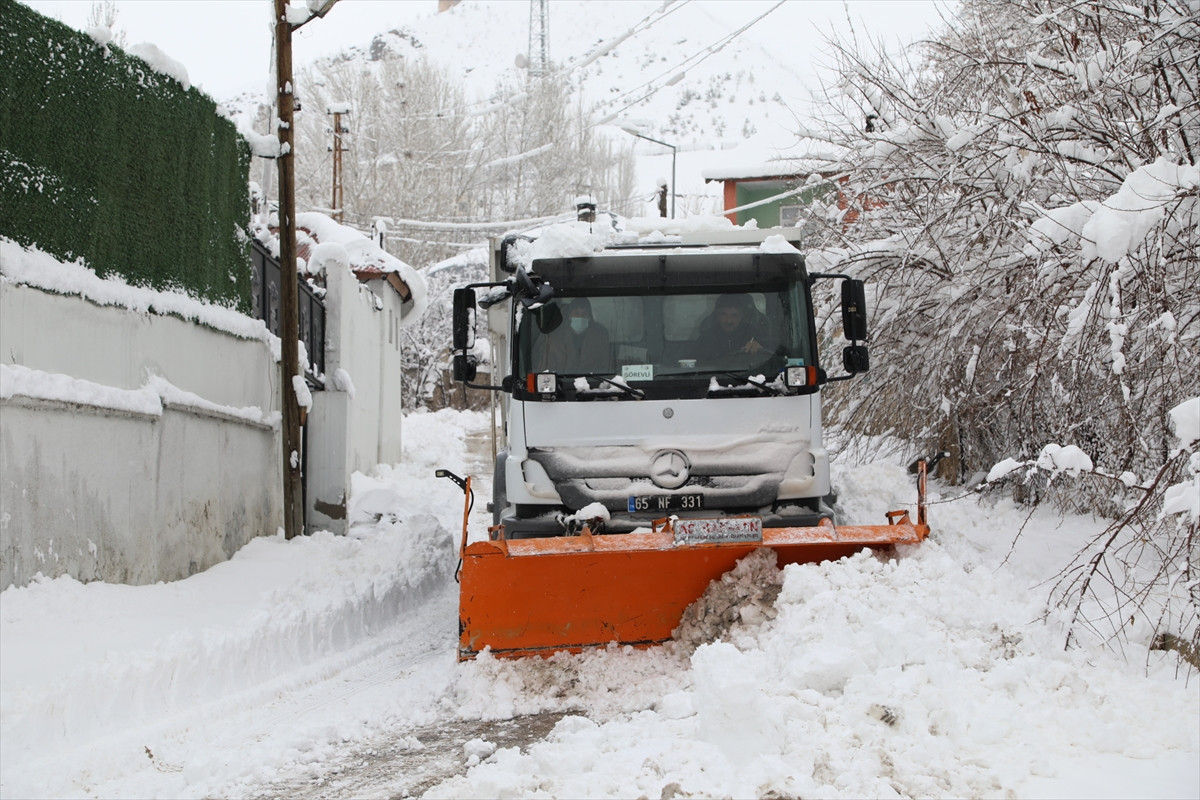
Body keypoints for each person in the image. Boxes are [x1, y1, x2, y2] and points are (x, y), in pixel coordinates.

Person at [540, 298, 612, 373]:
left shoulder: (599, 339)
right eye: (576, 313)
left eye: (584, 314)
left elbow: (605, 367)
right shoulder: (555, 339)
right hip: (562, 383)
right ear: (570, 315)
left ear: (589, 317)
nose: (580, 317)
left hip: (593, 383)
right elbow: (545, 369)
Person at [696, 293, 767, 361]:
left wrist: (760, 350)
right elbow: (695, 365)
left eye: (734, 315)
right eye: (723, 314)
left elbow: (768, 361)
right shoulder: (706, 337)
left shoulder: (753, 334)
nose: (728, 321)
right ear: (717, 315)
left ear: (742, 316)